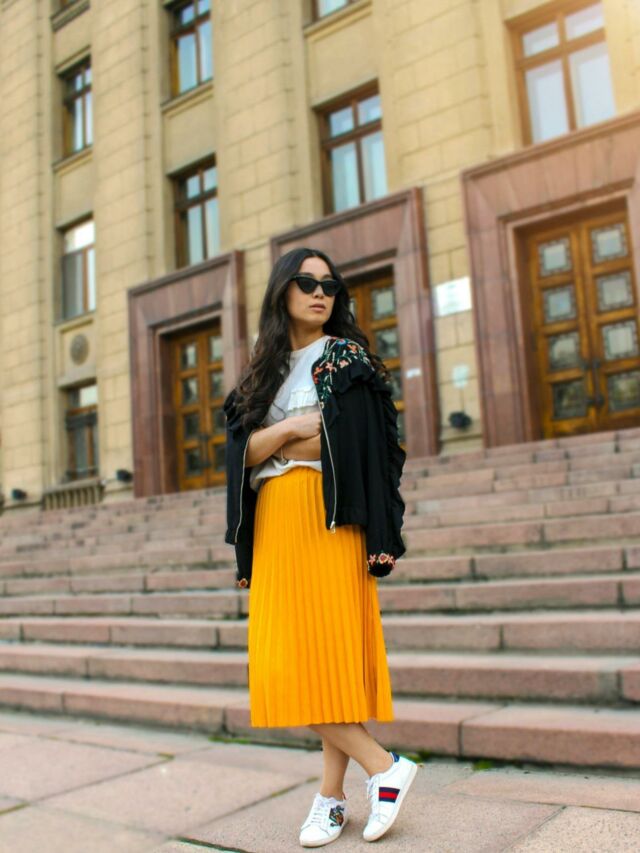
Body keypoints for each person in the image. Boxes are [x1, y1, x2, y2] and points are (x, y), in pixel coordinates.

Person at [223, 247, 418, 846]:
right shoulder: (262, 373)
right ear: (282, 291)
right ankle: (351, 787)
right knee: (286, 662)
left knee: (321, 663)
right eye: (307, 283)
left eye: (329, 285)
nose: (319, 294)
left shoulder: (347, 360)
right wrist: (287, 429)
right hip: (275, 524)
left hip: (328, 518)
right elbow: (239, 454)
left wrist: (270, 443)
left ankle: (373, 775)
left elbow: (352, 445)